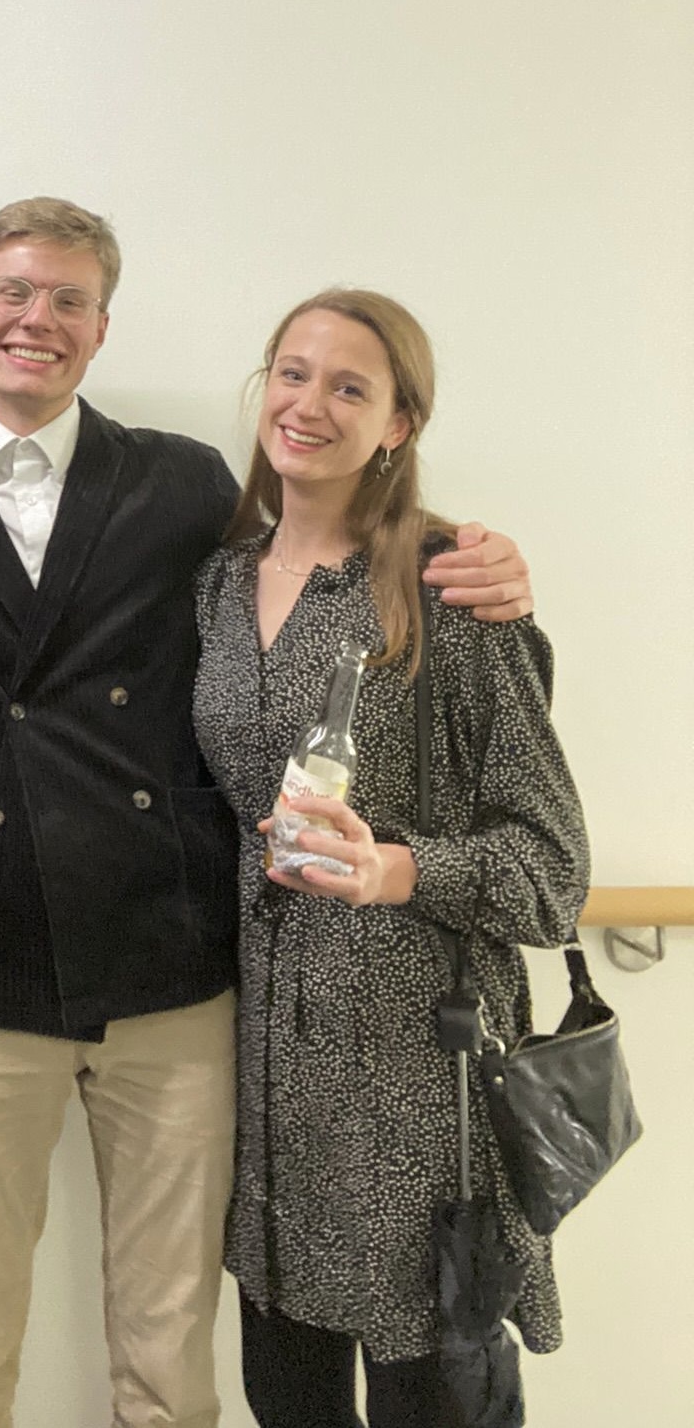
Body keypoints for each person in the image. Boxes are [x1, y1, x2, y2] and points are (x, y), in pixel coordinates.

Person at [0, 198, 536, 1428]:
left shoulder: (184, 485)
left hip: (173, 964)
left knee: (172, 1348)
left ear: (104, 326)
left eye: (69, 300)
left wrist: (478, 558)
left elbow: (331, 568)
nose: (37, 320)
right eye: (13, 292)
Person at [192, 288, 589, 1427]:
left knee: (442, 1405)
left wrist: (397, 869)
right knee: (291, 1403)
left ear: (399, 424)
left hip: (423, 1096)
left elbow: (551, 868)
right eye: (292, 371)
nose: (308, 403)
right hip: (274, 1091)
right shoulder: (219, 586)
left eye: (349, 387)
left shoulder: (446, 586)